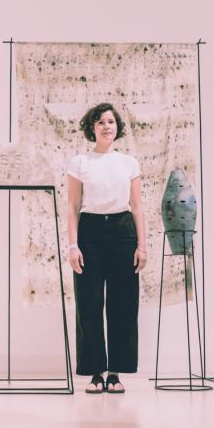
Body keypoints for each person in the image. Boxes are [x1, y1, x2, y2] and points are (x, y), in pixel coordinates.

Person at [66, 102, 146, 394]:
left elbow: (136, 206)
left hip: (123, 231)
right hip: (90, 231)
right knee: (89, 302)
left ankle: (115, 372)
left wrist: (142, 245)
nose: (106, 126)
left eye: (110, 121)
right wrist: (72, 245)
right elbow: (73, 206)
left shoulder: (128, 163)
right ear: (92, 128)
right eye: (100, 122)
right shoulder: (80, 163)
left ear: (117, 127)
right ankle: (95, 372)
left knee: (123, 303)